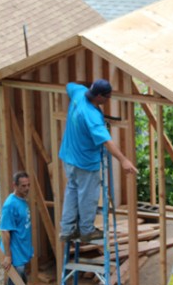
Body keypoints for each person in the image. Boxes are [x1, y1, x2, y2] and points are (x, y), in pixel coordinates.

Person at [58, 79, 137, 243]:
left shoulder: (78, 93)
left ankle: (66, 230)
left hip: (69, 157)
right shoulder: (92, 116)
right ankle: (86, 231)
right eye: (107, 97)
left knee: (72, 191)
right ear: (99, 96)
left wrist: (87, 84)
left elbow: (69, 85)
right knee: (88, 196)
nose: (108, 100)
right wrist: (123, 160)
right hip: (85, 162)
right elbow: (107, 142)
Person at [0, 171, 33, 285]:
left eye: (28, 185)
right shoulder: (10, 205)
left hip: (23, 252)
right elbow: (5, 231)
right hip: (15, 254)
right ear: (15, 186)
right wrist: (8, 256)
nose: (26, 189)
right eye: (23, 186)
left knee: (22, 284)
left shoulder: (22, 200)